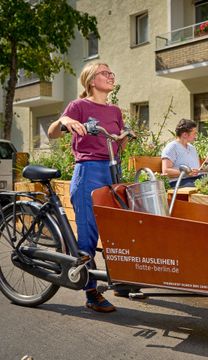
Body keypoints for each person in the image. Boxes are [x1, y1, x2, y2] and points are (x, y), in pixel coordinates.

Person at [48, 62, 129, 312]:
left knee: (117, 227)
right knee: (89, 234)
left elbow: (119, 145)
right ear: (92, 80)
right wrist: (65, 120)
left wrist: (125, 136)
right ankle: (91, 291)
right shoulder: (79, 106)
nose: (110, 75)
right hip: (88, 172)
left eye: (111, 72)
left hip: (112, 170)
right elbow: (53, 133)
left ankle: (120, 280)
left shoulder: (115, 110)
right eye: (105, 72)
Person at [161, 119, 201, 187]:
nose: (196, 136)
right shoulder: (172, 147)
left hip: (194, 179)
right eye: (194, 133)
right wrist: (187, 173)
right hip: (178, 182)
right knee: (202, 186)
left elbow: (196, 168)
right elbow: (166, 171)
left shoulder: (192, 148)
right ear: (185, 134)